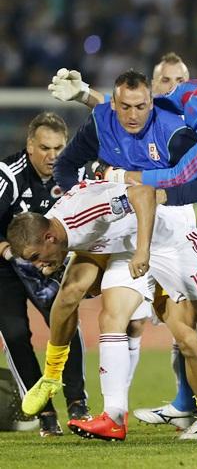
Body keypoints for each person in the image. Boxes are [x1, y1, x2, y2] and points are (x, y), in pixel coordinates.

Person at [46, 38, 197, 441]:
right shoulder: (188, 91)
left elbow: (183, 174)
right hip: (188, 208)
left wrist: (125, 179)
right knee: (195, 321)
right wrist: (89, 97)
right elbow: (137, 109)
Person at [52, 68, 197, 436]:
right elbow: (66, 166)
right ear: (113, 103)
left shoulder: (174, 131)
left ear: (152, 103)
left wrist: (163, 194)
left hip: (173, 235)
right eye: (125, 107)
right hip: (130, 239)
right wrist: (88, 193)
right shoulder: (101, 123)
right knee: (111, 318)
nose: (133, 115)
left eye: (141, 106)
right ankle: (114, 416)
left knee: (188, 335)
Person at [9, 180, 197, 441]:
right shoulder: (56, 232)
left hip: (168, 238)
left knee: (195, 335)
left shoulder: (83, 213)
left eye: (34, 257)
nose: (38, 265)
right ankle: (113, 417)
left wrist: (143, 251)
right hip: (125, 247)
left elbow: (143, 195)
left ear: (48, 238)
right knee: (109, 316)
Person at [0, 112, 89, 437]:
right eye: (45, 148)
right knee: (15, 335)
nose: (53, 156)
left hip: (49, 261)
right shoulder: (8, 175)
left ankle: (78, 403)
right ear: (29, 146)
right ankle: (44, 412)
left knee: (65, 322)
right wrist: (9, 252)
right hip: (6, 267)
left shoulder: (72, 173)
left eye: (59, 147)